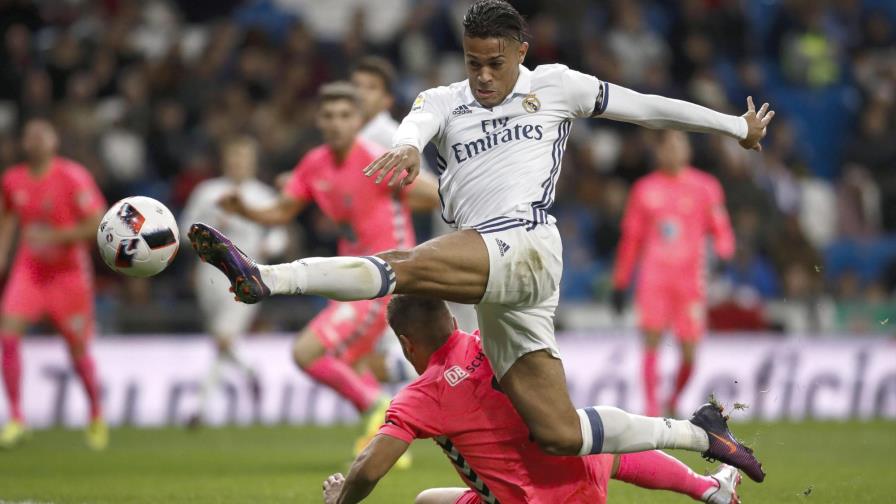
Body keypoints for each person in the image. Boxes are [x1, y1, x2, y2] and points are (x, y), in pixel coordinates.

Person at [190, 0, 772, 482]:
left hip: (529, 243)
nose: (485, 77)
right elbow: (416, 122)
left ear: (521, 51)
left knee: (404, 268)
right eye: (474, 64)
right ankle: (702, 433)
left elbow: (647, 109)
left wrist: (734, 127)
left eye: (496, 63)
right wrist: (410, 146)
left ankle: (268, 277)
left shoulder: (558, 86)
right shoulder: (445, 100)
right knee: (559, 432)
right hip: (496, 280)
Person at [321, 295, 742, 504]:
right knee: (599, 440)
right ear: (452, 320)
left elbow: (370, 468)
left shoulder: (422, 394)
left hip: (532, 500)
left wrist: (340, 501)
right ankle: (709, 489)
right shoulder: (491, 342)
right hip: (584, 474)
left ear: (406, 345)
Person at [215, 82, 440, 454]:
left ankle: (379, 410)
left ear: (358, 121)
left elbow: (434, 195)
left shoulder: (377, 160)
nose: (336, 123)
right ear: (318, 120)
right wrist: (246, 210)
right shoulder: (314, 163)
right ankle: (388, 432)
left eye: (345, 115)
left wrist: (405, 208)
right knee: (359, 367)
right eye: (329, 115)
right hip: (345, 280)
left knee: (308, 352)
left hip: (380, 279)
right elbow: (283, 210)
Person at [352, 55, 479, 383]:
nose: (360, 94)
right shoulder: (356, 139)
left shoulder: (383, 135)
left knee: (447, 332)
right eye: (356, 87)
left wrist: (387, 199)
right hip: (408, 242)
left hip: (442, 235)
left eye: (370, 88)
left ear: (386, 100)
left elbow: (428, 191)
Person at [0, 119, 108, 449]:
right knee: (7, 334)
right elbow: (7, 216)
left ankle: (95, 415)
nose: (34, 141)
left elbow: (98, 223)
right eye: (28, 136)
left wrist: (56, 235)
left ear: (54, 140)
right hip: (30, 269)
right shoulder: (12, 179)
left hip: (69, 273)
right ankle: (17, 418)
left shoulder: (73, 176)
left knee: (76, 350)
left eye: (41, 135)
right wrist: (3, 253)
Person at [611, 130, 735, 417]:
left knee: (690, 352)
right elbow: (631, 240)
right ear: (659, 152)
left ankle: (674, 399)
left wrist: (725, 253)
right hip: (654, 279)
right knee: (651, 342)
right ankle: (653, 411)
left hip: (690, 282)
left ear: (688, 150)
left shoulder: (705, 187)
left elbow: (721, 227)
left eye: (679, 145)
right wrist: (620, 282)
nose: (673, 151)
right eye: (667, 146)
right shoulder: (644, 189)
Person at [179, 135, 287, 426]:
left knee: (224, 336)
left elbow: (279, 234)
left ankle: (200, 408)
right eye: (233, 157)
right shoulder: (207, 192)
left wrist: (270, 247)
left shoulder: (262, 195)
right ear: (225, 160)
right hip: (208, 275)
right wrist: (202, 235)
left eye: (244, 158)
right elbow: (182, 228)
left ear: (252, 162)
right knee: (221, 339)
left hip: (245, 274)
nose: (238, 163)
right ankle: (249, 371)